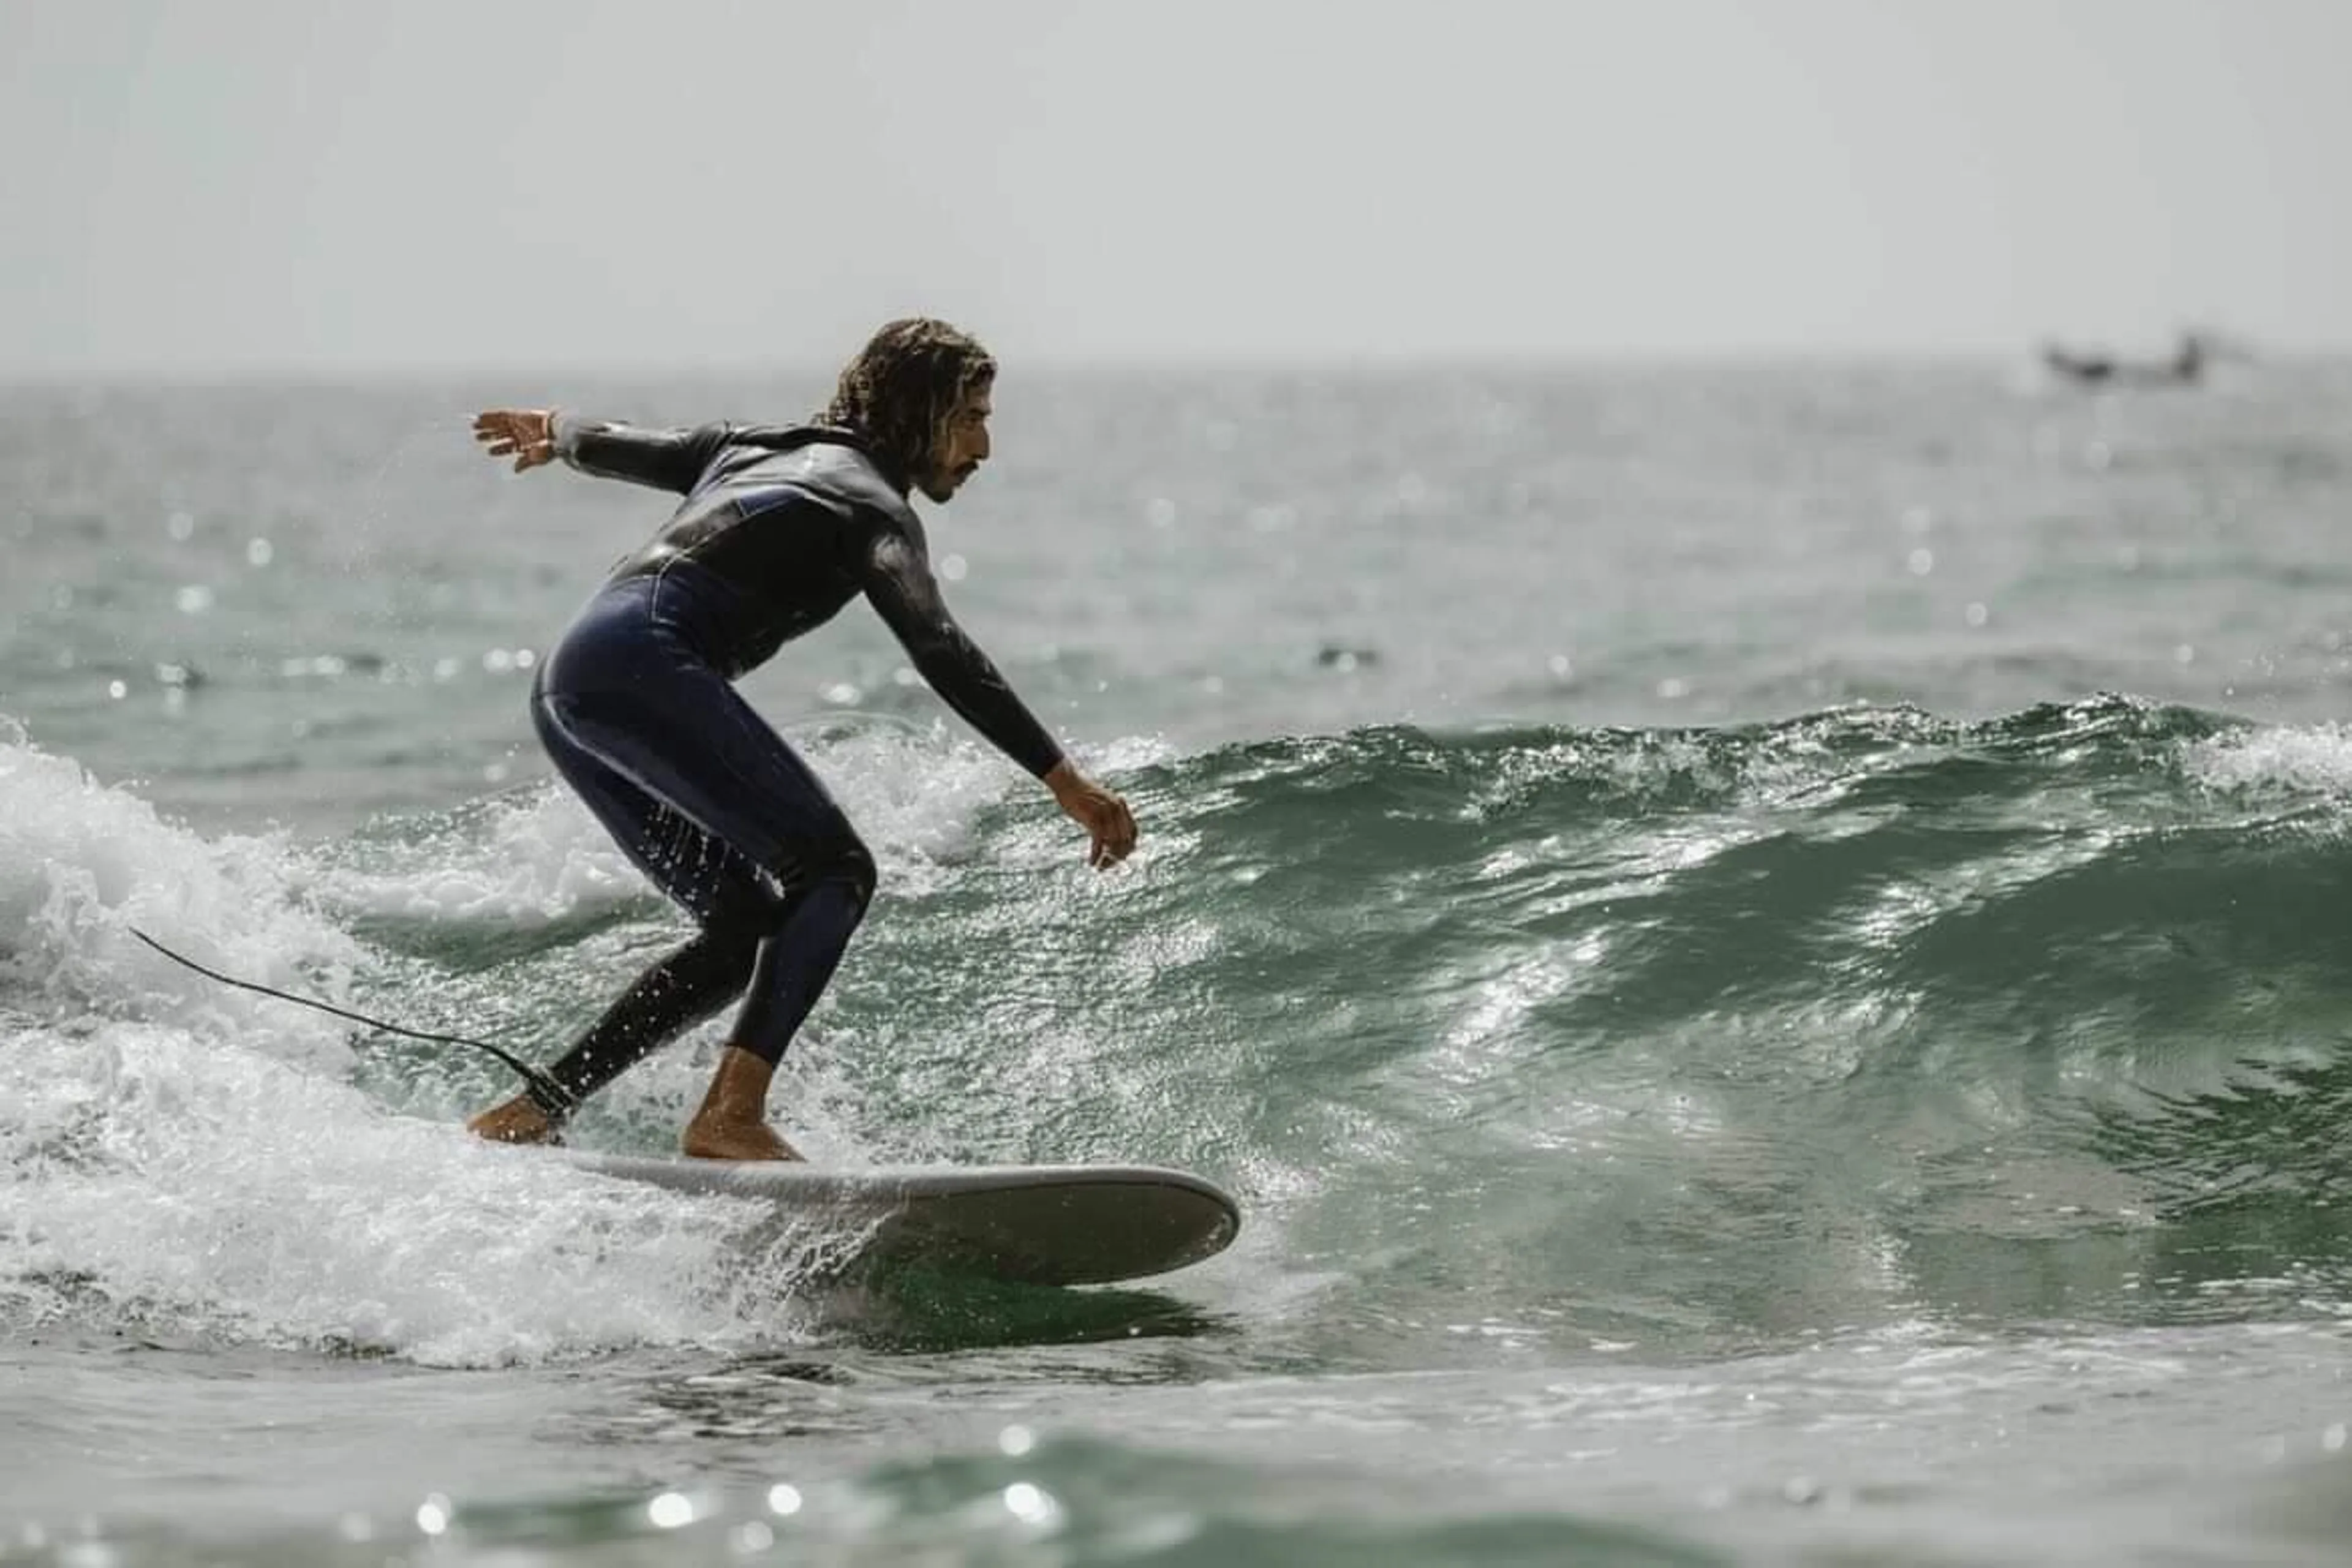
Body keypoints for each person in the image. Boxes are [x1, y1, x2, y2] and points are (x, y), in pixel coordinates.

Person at [462, 318, 1138, 1161]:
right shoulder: (868, 504)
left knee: (741, 926)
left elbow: (618, 443)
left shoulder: (750, 446)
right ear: (919, 411)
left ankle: (532, 1109)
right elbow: (939, 646)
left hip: (569, 680)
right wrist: (1063, 780)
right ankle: (730, 1118)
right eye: (972, 417)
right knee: (835, 870)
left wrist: (558, 433)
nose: (984, 447)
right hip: (642, 662)